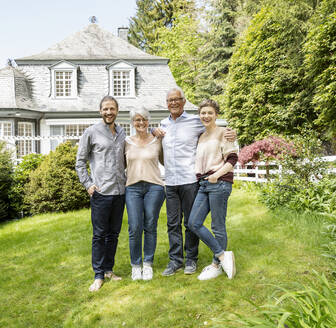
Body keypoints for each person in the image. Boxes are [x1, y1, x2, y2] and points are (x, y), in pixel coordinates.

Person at [153, 87, 236, 277]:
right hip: (171, 181)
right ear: (166, 104)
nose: (173, 103)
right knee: (173, 224)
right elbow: (155, 140)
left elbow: (217, 127)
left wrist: (233, 133)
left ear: (183, 101)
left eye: (176, 99)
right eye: (169, 100)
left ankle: (191, 259)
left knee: (190, 224)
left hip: (190, 180)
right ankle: (175, 261)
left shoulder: (195, 121)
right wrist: (152, 130)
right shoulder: (163, 125)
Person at [75, 96, 126, 292]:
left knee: (113, 234)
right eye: (105, 109)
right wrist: (88, 183)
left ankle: (108, 270)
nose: (109, 112)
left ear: (117, 110)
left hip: (120, 192)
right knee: (99, 235)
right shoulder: (91, 132)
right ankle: (98, 275)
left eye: (112, 109)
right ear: (100, 111)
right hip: (101, 193)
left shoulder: (122, 133)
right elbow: (80, 161)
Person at [188, 99, 237, 280]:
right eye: (203, 113)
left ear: (216, 114)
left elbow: (232, 159)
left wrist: (217, 175)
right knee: (193, 222)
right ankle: (223, 255)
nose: (206, 116)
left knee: (217, 226)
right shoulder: (201, 136)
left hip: (219, 182)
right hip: (204, 183)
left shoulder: (224, 133)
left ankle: (216, 265)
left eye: (210, 112)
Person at [124, 108, 165, 281]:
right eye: (137, 120)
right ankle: (136, 265)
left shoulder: (157, 140)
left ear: (149, 121)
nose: (141, 123)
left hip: (154, 187)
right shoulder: (126, 141)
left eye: (144, 120)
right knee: (134, 227)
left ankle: (147, 263)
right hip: (132, 188)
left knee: (150, 225)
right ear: (132, 122)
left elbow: (166, 160)